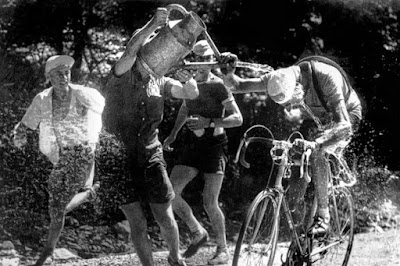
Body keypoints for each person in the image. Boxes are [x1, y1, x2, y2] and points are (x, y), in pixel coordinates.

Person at [219, 52, 362, 237]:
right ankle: (301, 236)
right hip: (319, 119)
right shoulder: (278, 77)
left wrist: (317, 144)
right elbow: (237, 85)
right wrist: (227, 73)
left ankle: (323, 217)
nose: (292, 107)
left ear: (298, 85)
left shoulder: (327, 77)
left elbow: (344, 126)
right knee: (295, 166)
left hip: (346, 116)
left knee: (319, 153)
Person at [102, 7, 199, 266]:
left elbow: (188, 94)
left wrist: (190, 79)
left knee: (164, 215)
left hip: (149, 153)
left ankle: (175, 258)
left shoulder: (160, 80)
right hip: (116, 156)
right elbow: (131, 50)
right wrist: (151, 24)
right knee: (137, 220)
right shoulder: (122, 72)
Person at [12, 55, 105, 266]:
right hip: (63, 156)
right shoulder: (43, 99)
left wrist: (89, 115)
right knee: (54, 205)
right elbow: (27, 122)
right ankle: (51, 249)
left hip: (84, 152)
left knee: (60, 206)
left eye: (66, 73)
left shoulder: (83, 94)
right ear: (49, 77)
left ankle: (48, 251)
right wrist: (20, 132)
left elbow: (103, 108)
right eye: (58, 74)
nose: (64, 77)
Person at [163, 40, 243, 264]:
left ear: (209, 64)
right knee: (170, 193)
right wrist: (173, 135)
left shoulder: (218, 85)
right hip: (191, 145)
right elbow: (185, 108)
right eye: (194, 61)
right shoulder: (188, 83)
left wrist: (208, 122)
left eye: (202, 62)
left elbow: (237, 118)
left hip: (214, 147)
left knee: (210, 201)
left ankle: (223, 249)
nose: (197, 66)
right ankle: (197, 231)